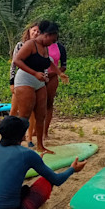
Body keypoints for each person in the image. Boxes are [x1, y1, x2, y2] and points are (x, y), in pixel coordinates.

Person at [13, 20, 66, 154]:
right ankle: (17, 144)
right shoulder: (31, 44)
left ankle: (40, 145)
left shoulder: (46, 47)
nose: (53, 43)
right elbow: (17, 61)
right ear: (46, 35)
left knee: (41, 114)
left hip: (39, 81)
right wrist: (35, 73)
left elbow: (49, 62)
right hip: (25, 80)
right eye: (52, 40)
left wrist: (60, 73)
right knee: (24, 114)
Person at [43, 40, 68, 139]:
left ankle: (45, 131)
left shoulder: (60, 47)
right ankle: (35, 130)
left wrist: (54, 73)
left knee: (49, 103)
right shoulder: (38, 45)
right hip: (37, 76)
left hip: (52, 78)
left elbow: (63, 66)